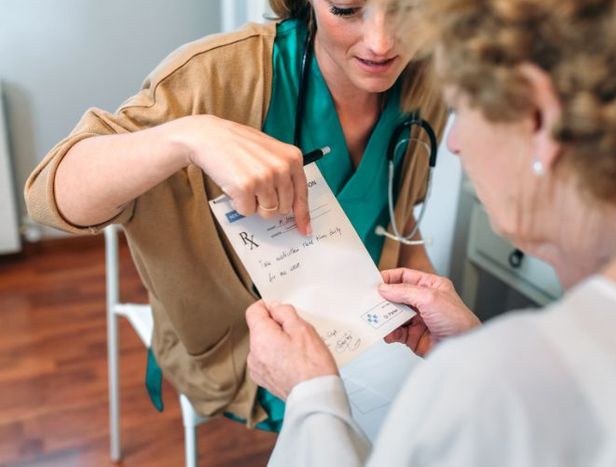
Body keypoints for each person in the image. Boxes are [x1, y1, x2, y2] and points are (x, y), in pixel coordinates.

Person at [246, 0, 616, 463]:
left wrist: (312, 402)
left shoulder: (491, 392)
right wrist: (475, 344)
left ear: (540, 116)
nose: (456, 143)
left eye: (462, 109)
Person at [24, 0, 447, 430]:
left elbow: (398, 212)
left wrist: (434, 308)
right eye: (346, 9)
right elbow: (48, 196)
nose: (381, 42)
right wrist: (189, 136)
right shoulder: (215, 76)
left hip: (371, 327)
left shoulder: (424, 80)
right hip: (236, 350)